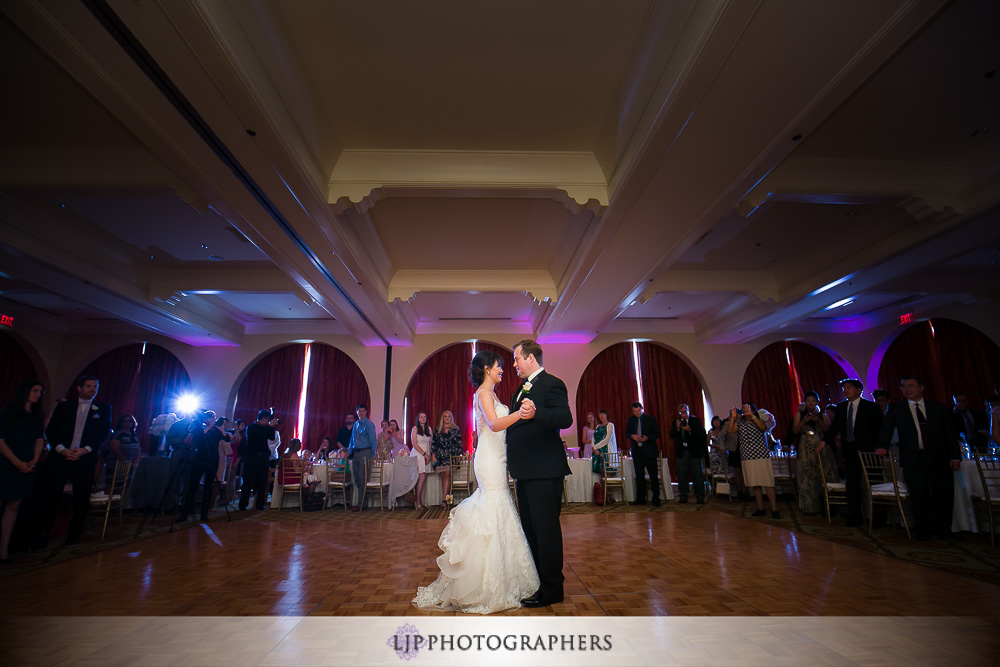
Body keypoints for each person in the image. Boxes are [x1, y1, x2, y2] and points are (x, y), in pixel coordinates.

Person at [414, 350, 538, 613]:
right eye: (498, 366)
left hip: (497, 457)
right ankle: (486, 582)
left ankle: (500, 576)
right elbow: (493, 424)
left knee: (498, 506)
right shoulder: (483, 394)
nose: (502, 369)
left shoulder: (489, 394)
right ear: (486, 369)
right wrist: (521, 414)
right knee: (494, 505)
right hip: (490, 460)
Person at [506, 339, 573, 608]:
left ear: (531, 358)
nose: (514, 364)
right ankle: (538, 583)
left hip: (545, 471)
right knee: (531, 530)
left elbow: (565, 418)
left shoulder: (552, 383)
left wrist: (537, 413)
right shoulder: (523, 388)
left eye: (517, 359)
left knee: (546, 531)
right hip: (527, 471)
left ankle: (553, 589)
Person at [878, 376, 960, 540]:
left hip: (939, 457)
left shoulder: (938, 408)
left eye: (910, 386)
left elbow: (950, 433)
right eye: (903, 387)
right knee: (918, 494)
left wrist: (955, 457)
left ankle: (944, 528)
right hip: (913, 458)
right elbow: (887, 429)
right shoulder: (896, 409)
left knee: (943, 493)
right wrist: (882, 445)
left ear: (921, 388)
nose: (906, 389)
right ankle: (922, 528)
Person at [38, 375, 112, 546]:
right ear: (79, 388)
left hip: (85, 458)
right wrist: (62, 450)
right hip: (60, 457)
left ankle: (74, 534)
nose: (92, 389)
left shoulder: (103, 408)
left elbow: (102, 433)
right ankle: (43, 533)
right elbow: (51, 431)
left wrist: (85, 450)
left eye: (95, 386)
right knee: (51, 495)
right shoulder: (64, 406)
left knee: (82, 497)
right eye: (89, 386)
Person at [818, 379, 883, 527]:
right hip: (850, 449)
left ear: (859, 390)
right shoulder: (841, 407)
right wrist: (824, 441)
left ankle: (877, 517)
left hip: (868, 451)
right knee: (852, 484)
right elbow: (834, 427)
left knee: (873, 482)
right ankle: (855, 516)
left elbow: (879, 429)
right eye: (844, 388)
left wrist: (878, 446)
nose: (846, 391)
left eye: (849, 388)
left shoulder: (871, 407)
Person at [1, 381, 45, 563]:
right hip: (7, 462)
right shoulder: (8, 412)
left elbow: (39, 439)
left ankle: (3, 549)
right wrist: (17, 462)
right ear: (25, 391)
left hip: (27, 464)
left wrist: (34, 459)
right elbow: (1, 441)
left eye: (40, 392)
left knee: (13, 506)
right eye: (35, 390)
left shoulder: (37, 414)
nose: (38, 394)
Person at [729, 403, 780, 518]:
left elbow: (762, 428)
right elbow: (731, 430)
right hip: (747, 457)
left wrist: (752, 415)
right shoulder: (741, 423)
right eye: (743, 409)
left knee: (767, 482)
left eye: (747, 408)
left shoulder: (758, 420)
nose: (745, 410)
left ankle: (774, 509)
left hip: (761, 456)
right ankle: (760, 508)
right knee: (755, 483)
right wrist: (733, 417)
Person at [177, 414, 228, 522]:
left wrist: (221, 429)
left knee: (208, 487)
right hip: (200, 459)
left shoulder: (216, 431)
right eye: (210, 418)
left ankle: (204, 514)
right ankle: (185, 513)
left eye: (214, 418)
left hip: (212, 460)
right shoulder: (199, 429)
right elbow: (198, 441)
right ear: (205, 420)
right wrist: (208, 428)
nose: (213, 420)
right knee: (193, 486)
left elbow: (226, 438)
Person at [794, 392, 837, 515]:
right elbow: (795, 430)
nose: (810, 403)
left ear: (817, 402)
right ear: (805, 402)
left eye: (813, 401)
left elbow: (828, 431)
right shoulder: (799, 415)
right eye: (808, 401)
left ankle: (828, 505)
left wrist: (818, 420)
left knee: (823, 474)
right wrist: (804, 421)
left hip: (821, 446)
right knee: (808, 475)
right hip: (806, 447)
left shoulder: (822, 415)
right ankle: (810, 506)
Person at [670, 403, 707, 504]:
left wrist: (690, 430)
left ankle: (700, 496)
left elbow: (701, 434)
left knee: (697, 474)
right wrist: (678, 428)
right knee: (682, 475)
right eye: (681, 412)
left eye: (685, 411)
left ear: (689, 411)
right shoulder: (676, 422)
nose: (683, 414)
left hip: (694, 452)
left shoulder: (695, 421)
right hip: (682, 452)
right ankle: (683, 496)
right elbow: (672, 435)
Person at [626, 401, 661, 506]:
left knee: (653, 476)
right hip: (637, 452)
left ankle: (656, 499)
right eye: (634, 411)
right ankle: (641, 499)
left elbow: (657, 433)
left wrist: (647, 437)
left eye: (638, 411)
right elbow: (627, 433)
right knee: (639, 476)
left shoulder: (650, 419)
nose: (636, 413)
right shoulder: (631, 420)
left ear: (642, 409)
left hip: (649, 451)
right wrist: (632, 436)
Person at [240, 410, 275, 511]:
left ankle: (260, 504)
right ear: (263, 418)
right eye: (267, 420)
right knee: (248, 481)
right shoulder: (251, 428)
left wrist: (270, 427)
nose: (268, 422)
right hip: (252, 457)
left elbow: (271, 437)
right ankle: (243, 504)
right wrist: (269, 426)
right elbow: (260, 435)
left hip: (263, 457)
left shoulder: (266, 428)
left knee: (262, 481)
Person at [347, 405, 376, 511]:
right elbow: (352, 440)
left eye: (363, 411)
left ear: (366, 412)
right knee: (357, 478)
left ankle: (362, 504)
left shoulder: (369, 424)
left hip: (365, 452)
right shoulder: (355, 424)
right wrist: (349, 451)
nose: (361, 413)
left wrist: (372, 457)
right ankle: (360, 502)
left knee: (363, 478)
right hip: (356, 453)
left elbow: (373, 441)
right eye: (359, 411)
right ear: (357, 413)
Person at [431, 410, 463, 507]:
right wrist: (433, 456)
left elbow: (459, 443)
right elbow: (434, 444)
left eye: (449, 416)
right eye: (445, 416)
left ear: (451, 418)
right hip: (440, 457)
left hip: (450, 456)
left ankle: (444, 499)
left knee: (447, 475)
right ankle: (446, 497)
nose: (447, 418)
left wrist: (459, 456)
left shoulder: (455, 429)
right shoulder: (438, 429)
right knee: (443, 476)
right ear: (443, 418)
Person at [410, 411, 433, 510]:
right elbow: (414, 444)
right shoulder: (415, 429)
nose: (423, 419)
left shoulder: (429, 429)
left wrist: (429, 455)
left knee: (425, 478)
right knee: (421, 477)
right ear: (418, 419)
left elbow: (430, 444)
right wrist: (424, 454)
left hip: (426, 454)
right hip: (418, 453)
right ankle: (418, 502)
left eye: (424, 417)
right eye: (421, 417)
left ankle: (423, 502)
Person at [591, 409, 617, 473]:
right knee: (601, 473)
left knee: (608, 472)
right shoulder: (598, 427)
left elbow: (607, 439)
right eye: (600, 414)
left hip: (606, 451)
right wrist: (593, 448)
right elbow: (593, 438)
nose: (601, 416)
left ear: (607, 415)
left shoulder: (610, 425)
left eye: (603, 414)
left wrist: (596, 447)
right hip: (597, 451)